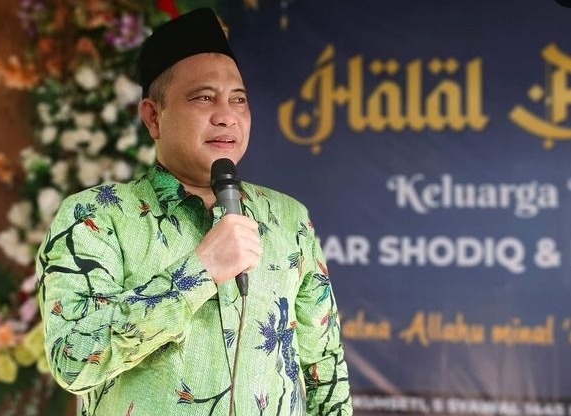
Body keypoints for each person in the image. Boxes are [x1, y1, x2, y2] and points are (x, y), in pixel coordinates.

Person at [36, 7, 353, 416]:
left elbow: (325, 372)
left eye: (238, 100)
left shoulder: (289, 220)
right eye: (204, 97)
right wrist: (200, 271)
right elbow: (73, 360)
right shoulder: (97, 216)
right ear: (153, 117)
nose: (226, 116)